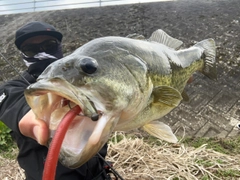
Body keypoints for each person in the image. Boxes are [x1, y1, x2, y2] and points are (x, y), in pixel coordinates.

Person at [0, 21, 110, 180]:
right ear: (23, 54)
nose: (42, 52)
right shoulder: (11, 89)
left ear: (59, 46)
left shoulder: (88, 79)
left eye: (49, 45)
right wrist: (37, 120)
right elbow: (17, 108)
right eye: (30, 50)